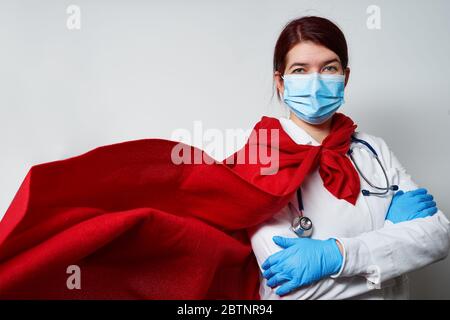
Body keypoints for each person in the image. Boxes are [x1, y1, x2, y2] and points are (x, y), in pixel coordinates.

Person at [247, 16, 450, 299]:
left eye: (329, 68)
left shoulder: (374, 149)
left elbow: (439, 238)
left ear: (345, 77)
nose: (316, 81)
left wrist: (335, 256)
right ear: (280, 83)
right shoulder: (260, 159)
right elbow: (293, 290)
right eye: (300, 70)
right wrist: (391, 237)